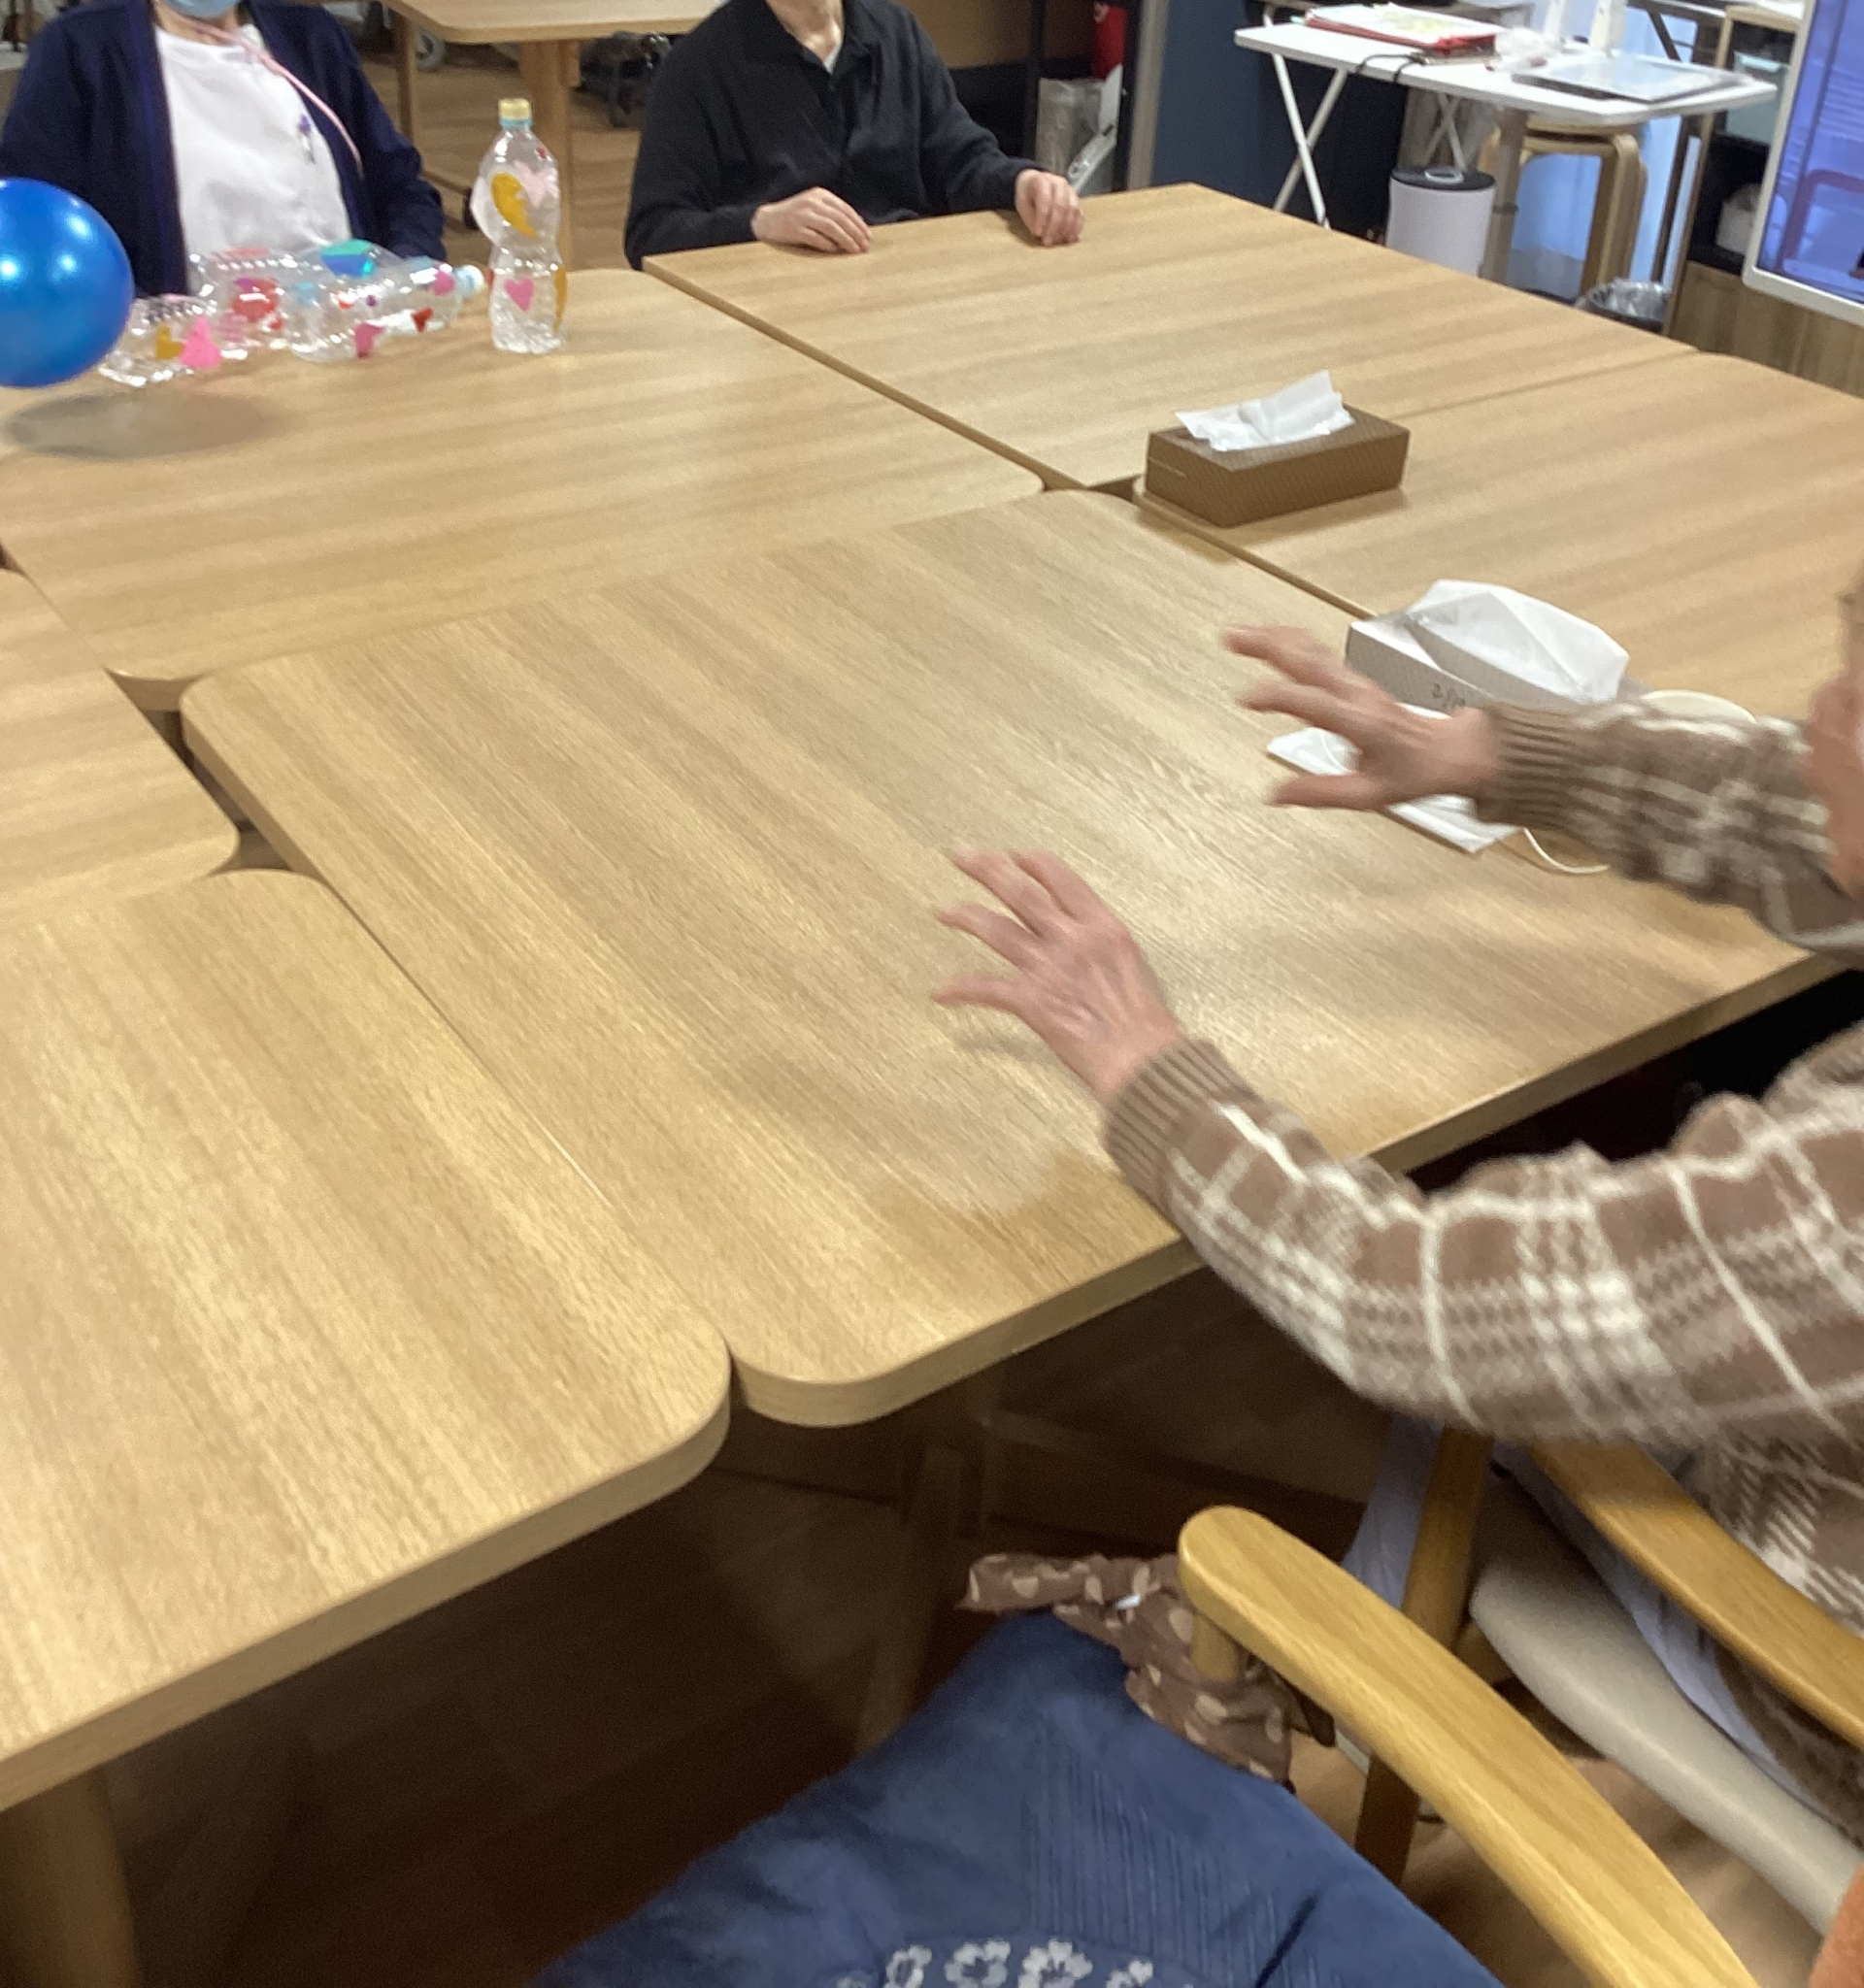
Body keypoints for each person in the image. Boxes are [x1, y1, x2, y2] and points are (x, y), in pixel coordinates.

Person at [934, 569, 1864, 1845]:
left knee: (1470, 1394)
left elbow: (1401, 1300)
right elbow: (1799, 801)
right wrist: (1490, 752)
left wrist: (1145, 1064)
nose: (1815, 717)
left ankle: (1325, 1712)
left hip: (1818, 1684)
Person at [0, 0, 444, 297]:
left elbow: (400, 187)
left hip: (342, 331)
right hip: (189, 354)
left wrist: (403, 274)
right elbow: (31, 224)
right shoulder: (80, 50)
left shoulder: (311, 38)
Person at [623, 0, 1083, 267]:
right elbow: (652, 232)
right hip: (771, 316)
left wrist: (1021, 182)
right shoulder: (696, 69)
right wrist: (760, 223)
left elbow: (959, 159)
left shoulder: (897, 33)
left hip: (902, 294)